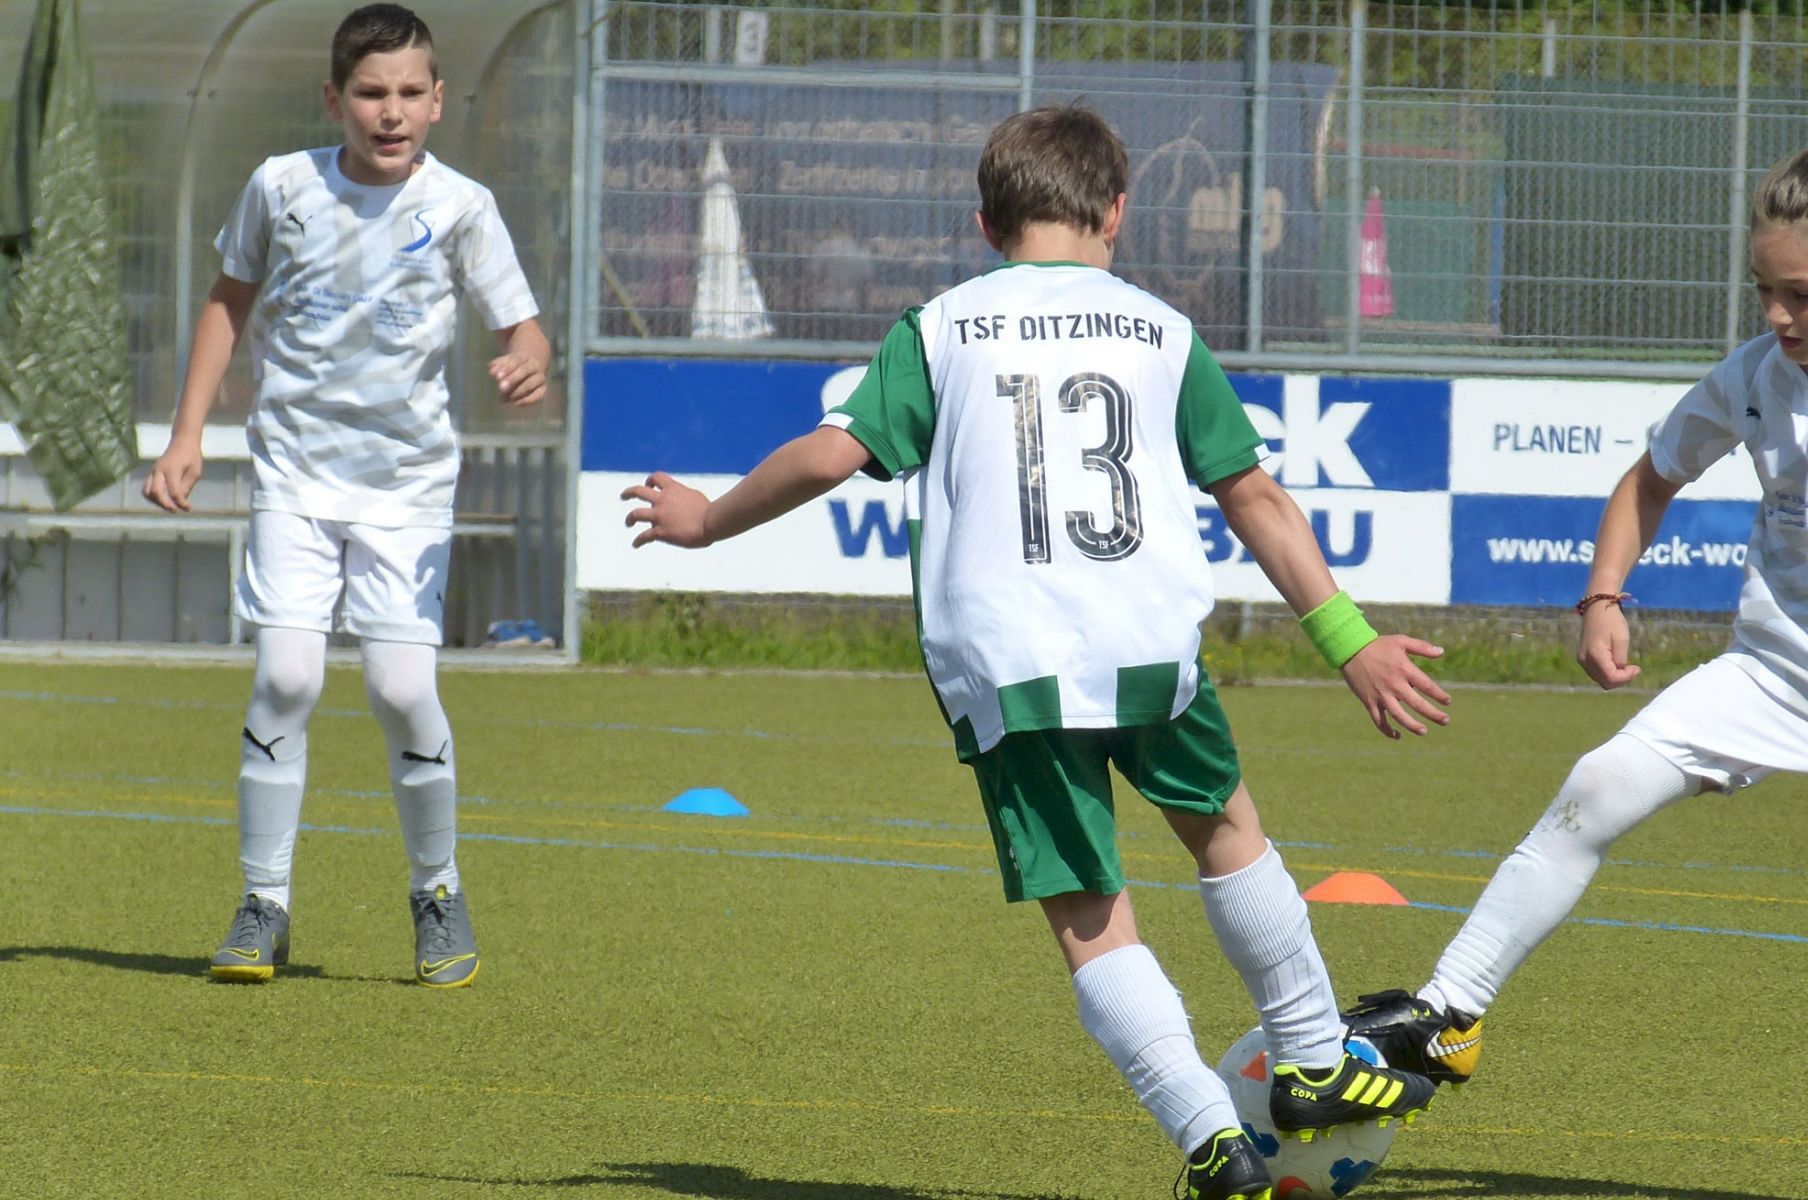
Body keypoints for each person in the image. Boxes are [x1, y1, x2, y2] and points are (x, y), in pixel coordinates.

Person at [622, 105, 1448, 1199]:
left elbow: (832, 455)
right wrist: (1351, 645)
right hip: (1146, 639)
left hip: (1007, 658)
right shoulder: (1159, 330)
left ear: (984, 223)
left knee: (1088, 913)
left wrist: (711, 520)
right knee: (1226, 830)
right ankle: (1304, 1056)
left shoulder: (941, 327)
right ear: (1116, 212)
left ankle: (1212, 1135)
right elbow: (1254, 494)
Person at [1343, 119, 1808, 1151]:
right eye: (1764, 289)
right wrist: (1603, 598)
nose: (1777, 314)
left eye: (1802, 295)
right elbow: (1649, 477)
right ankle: (1448, 1014)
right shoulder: (1754, 372)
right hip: (1773, 672)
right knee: (1598, 783)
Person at [143, 4, 550, 989]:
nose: (391, 110)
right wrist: (188, 434)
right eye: (371, 92)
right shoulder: (280, 187)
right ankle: (263, 904)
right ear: (335, 99)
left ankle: (437, 893)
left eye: (411, 92)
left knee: (402, 690)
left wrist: (526, 361)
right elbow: (226, 302)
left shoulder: (462, 206)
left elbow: (522, 327)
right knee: (287, 678)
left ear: (439, 101)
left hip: (407, 491)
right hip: (293, 476)